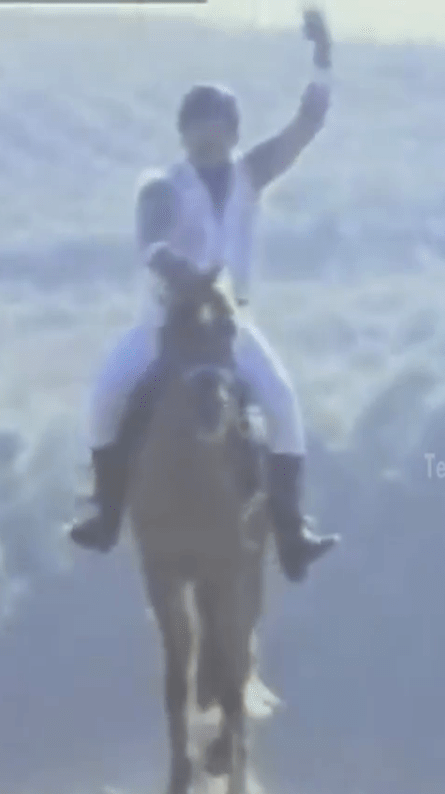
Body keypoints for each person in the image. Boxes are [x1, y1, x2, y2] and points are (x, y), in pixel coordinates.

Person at [68, 8, 340, 583]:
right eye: (197, 125)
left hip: (230, 326)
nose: (208, 134)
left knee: (284, 405)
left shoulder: (251, 173)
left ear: (234, 132)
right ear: (183, 134)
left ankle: (292, 532)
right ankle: (105, 512)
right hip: (166, 323)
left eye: (217, 125)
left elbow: (307, 124)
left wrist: (323, 58)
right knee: (104, 398)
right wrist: (181, 273)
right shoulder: (163, 186)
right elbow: (151, 245)